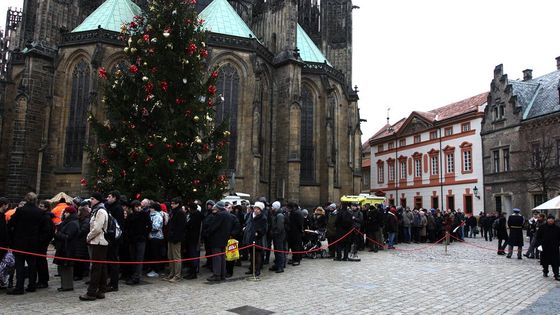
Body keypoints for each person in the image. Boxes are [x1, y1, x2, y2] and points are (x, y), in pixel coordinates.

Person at [6, 192, 43, 295]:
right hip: (33, 242)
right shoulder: (39, 212)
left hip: (20, 242)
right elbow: (41, 227)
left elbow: (11, 223)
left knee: (20, 265)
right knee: (32, 264)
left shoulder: (20, 211)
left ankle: (19, 287)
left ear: (26, 199)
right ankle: (31, 285)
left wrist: (11, 236)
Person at [80, 192, 109, 301]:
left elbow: (97, 228)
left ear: (97, 200)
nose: (90, 201)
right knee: (101, 267)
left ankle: (91, 292)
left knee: (96, 268)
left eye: (92, 199)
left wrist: (88, 237)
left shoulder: (100, 211)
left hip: (99, 242)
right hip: (98, 242)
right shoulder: (97, 210)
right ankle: (101, 290)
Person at [53, 206, 80, 291]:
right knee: (64, 268)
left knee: (67, 268)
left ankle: (67, 286)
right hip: (65, 248)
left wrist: (57, 234)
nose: (64, 214)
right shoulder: (68, 222)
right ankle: (65, 285)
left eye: (66, 212)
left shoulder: (72, 223)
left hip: (68, 248)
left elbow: (67, 236)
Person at [205, 201, 233, 281]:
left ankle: (217, 274)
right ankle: (222, 274)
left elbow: (214, 227)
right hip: (224, 238)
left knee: (217, 257)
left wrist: (208, 232)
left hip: (217, 239)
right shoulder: (228, 214)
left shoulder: (220, 215)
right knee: (222, 257)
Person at [125, 199, 151, 285]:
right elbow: (127, 228)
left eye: (139, 206)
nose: (138, 208)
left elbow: (149, 226)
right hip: (132, 240)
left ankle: (137, 277)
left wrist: (144, 235)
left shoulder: (144, 215)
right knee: (133, 258)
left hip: (141, 240)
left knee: (139, 258)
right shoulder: (130, 216)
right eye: (136, 206)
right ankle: (134, 275)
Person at [105, 191, 124, 291]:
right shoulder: (109, 207)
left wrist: (113, 238)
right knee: (110, 261)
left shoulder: (117, 208)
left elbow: (117, 226)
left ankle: (114, 284)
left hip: (114, 239)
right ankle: (111, 282)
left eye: (109, 196)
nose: (107, 198)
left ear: (115, 198)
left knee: (113, 261)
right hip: (110, 238)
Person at [164, 197, 186, 282]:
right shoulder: (173, 212)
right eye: (171, 203)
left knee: (176, 257)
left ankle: (177, 275)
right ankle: (172, 273)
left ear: (177, 204)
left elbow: (180, 228)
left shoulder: (180, 213)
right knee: (170, 256)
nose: (172, 204)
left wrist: (176, 237)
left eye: (173, 203)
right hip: (171, 237)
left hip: (176, 238)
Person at [243, 202, 267, 277]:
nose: (256, 210)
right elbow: (247, 223)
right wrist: (246, 228)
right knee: (251, 254)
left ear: (260, 210)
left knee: (257, 254)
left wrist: (258, 233)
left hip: (257, 239)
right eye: (255, 208)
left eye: (258, 209)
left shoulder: (263, 218)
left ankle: (257, 270)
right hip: (250, 237)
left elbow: (264, 229)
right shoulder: (250, 215)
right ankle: (252, 268)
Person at [36, 200, 55, 289]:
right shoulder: (44, 216)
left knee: (41, 262)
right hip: (41, 242)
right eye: (39, 206)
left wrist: (40, 240)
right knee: (40, 261)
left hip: (42, 243)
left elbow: (48, 232)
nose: (39, 208)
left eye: (41, 206)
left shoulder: (46, 217)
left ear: (46, 208)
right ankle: (42, 280)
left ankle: (43, 281)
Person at [536, 215, 560, 280]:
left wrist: (558, 244)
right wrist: (539, 245)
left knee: (555, 262)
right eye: (549, 219)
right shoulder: (542, 227)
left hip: (554, 248)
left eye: (552, 219)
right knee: (545, 261)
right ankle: (545, 271)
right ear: (547, 220)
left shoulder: (557, 228)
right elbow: (538, 237)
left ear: (554, 220)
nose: (551, 220)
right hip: (545, 247)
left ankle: (556, 274)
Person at [183, 202, 203, 280]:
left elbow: (190, 225)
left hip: (194, 238)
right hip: (191, 238)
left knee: (193, 255)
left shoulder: (196, 216)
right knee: (191, 255)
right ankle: (191, 271)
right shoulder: (193, 215)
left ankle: (193, 272)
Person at [269, 201, 286, 273]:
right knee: (276, 251)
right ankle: (277, 265)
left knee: (279, 251)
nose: (271, 208)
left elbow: (279, 227)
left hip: (279, 236)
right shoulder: (276, 214)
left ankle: (280, 267)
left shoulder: (279, 215)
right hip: (276, 236)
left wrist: (274, 233)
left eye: (273, 207)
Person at [286, 201, 304, 266]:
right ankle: (295, 258)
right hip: (296, 232)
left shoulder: (295, 213)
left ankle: (297, 260)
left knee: (295, 247)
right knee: (295, 246)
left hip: (295, 233)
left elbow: (297, 224)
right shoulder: (298, 212)